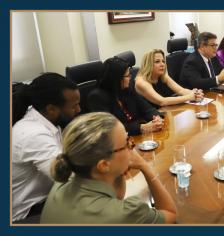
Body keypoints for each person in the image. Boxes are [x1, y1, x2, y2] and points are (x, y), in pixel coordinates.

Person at [40, 112, 177, 223]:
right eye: (126, 143)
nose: (132, 147)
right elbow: (170, 214)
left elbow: (116, 196)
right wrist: (144, 166)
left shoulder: (61, 182)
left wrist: (118, 169)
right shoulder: (127, 213)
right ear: (104, 165)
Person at [12, 73, 80, 222]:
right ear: (51, 109)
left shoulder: (49, 122)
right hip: (28, 213)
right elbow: (68, 178)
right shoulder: (33, 134)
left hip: (49, 198)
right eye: (74, 106)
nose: (79, 109)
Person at [88, 57, 163, 136]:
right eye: (127, 76)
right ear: (117, 79)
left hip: (139, 137)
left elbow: (147, 108)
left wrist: (156, 118)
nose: (130, 78)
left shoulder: (127, 88)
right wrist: (142, 127)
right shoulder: (96, 98)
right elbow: (110, 129)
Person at [135, 49, 204, 108]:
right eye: (157, 62)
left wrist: (195, 93)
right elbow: (162, 101)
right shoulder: (141, 82)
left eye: (163, 61)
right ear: (148, 64)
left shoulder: (162, 75)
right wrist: (189, 97)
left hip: (167, 110)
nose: (162, 64)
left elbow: (181, 91)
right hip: (153, 118)